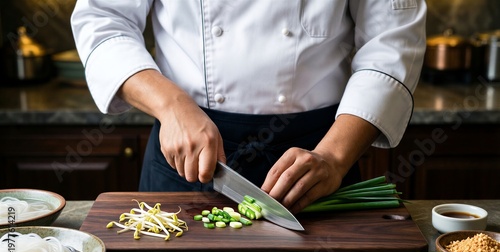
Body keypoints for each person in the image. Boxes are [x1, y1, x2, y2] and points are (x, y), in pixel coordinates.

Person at [71, 1, 426, 214]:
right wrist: (170, 104)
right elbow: (102, 20)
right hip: (186, 154)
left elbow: (391, 43)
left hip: (318, 159)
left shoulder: (328, 158)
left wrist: (333, 157)